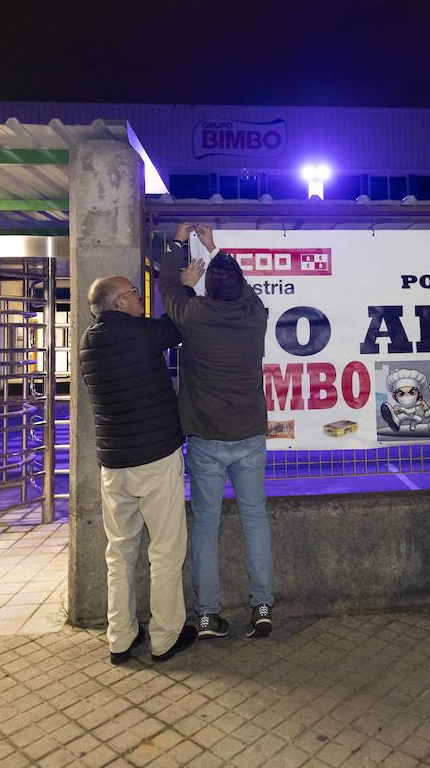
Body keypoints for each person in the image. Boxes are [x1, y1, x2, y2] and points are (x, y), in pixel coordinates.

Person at [161, 221, 274, 641]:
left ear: (207, 288)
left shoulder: (193, 315)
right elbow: (244, 291)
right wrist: (214, 251)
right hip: (249, 436)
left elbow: (168, 292)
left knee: (206, 525)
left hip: (206, 439)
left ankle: (208, 616)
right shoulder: (254, 316)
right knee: (255, 520)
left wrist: (180, 252)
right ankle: (262, 607)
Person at [80, 273, 200, 664]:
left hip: (113, 466)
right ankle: (165, 638)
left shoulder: (88, 344)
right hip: (155, 459)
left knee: (119, 552)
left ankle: (121, 638)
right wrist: (183, 285)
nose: (138, 297)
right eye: (133, 293)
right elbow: (177, 325)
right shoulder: (138, 334)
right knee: (166, 550)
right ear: (118, 303)